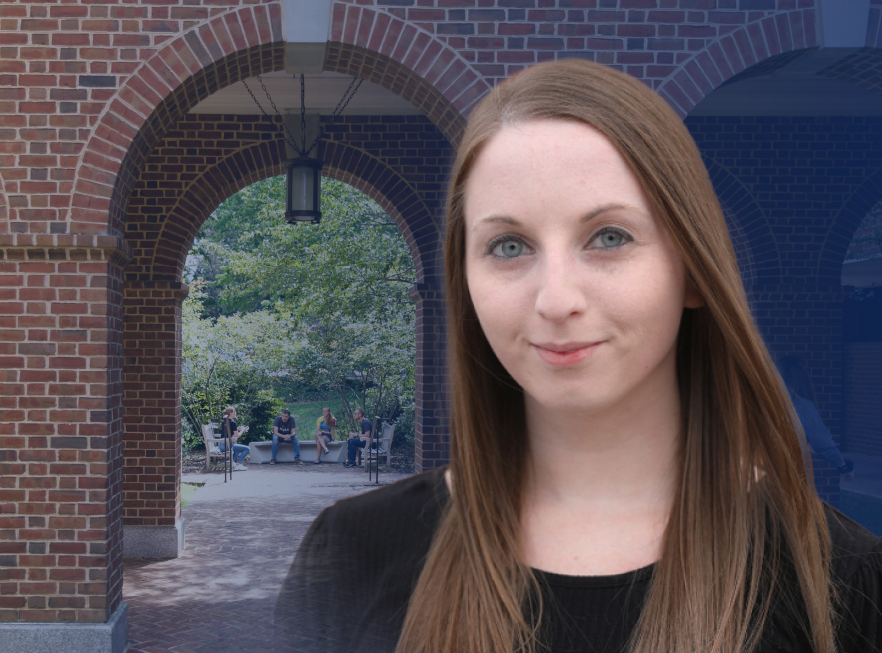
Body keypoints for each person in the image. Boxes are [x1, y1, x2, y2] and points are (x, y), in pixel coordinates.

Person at [274, 58, 882, 653]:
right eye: (508, 246)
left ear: (693, 269)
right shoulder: (352, 552)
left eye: (609, 237)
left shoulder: (842, 580)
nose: (556, 299)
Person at [774, 355, 855, 484]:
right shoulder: (800, 405)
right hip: (781, 474)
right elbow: (823, 445)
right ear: (802, 379)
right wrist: (843, 466)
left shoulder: (760, 401)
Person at [218, 406, 250, 471]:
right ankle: (239, 464)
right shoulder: (233, 423)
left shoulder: (225, 421)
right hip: (227, 445)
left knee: (237, 448)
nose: (235, 413)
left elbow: (229, 429)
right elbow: (237, 436)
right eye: (234, 411)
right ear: (231, 413)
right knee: (247, 448)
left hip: (220, 445)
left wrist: (238, 428)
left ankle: (231, 462)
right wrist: (242, 430)